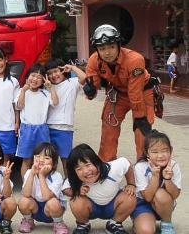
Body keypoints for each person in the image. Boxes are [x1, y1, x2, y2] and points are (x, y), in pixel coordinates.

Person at [84, 24, 156, 162]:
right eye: (102, 48)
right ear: (97, 50)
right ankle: (106, 164)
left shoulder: (135, 60)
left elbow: (135, 93)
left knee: (142, 131)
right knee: (108, 129)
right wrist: (91, 92)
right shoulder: (94, 60)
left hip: (142, 93)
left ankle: (144, 167)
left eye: (111, 46)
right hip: (118, 93)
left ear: (118, 45)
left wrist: (140, 116)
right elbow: (93, 83)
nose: (107, 52)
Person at [63, 143, 136, 234]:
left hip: (113, 205)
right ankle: (83, 224)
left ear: (97, 161)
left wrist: (131, 184)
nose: (86, 171)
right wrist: (76, 191)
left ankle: (114, 224)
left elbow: (127, 163)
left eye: (88, 165)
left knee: (130, 196)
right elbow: (65, 189)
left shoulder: (112, 169)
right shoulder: (74, 178)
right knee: (75, 200)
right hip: (91, 207)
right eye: (79, 169)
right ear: (74, 172)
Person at [131, 131, 181, 234]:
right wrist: (155, 176)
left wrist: (167, 179)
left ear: (170, 150)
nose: (160, 155)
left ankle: (166, 222)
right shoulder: (140, 167)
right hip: (143, 204)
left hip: (164, 204)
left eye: (164, 150)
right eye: (155, 152)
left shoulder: (173, 165)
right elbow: (147, 197)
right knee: (146, 231)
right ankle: (139, 222)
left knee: (160, 193)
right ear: (146, 152)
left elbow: (175, 195)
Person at [15, 63, 59, 179]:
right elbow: (19, 106)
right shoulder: (21, 91)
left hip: (42, 129)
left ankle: (42, 183)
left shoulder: (45, 93)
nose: (35, 79)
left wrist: (51, 87)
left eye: (39, 77)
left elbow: (55, 102)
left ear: (43, 80)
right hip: (27, 129)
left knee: (43, 158)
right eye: (33, 75)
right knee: (27, 159)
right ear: (27, 76)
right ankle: (26, 184)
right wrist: (24, 91)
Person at [45, 59, 86, 176]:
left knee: (65, 158)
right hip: (47, 126)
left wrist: (72, 68)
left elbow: (84, 78)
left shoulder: (72, 83)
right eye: (49, 73)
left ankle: (69, 182)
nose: (53, 75)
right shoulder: (47, 87)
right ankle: (49, 181)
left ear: (62, 70)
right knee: (49, 158)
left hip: (64, 127)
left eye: (56, 71)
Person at [18, 142, 68, 234]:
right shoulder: (29, 172)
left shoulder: (57, 176)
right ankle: (28, 220)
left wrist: (41, 175)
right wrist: (32, 174)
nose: (41, 160)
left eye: (47, 158)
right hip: (35, 208)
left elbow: (47, 197)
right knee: (23, 201)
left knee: (53, 202)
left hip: (50, 210)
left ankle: (58, 222)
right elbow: (26, 194)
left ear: (54, 164)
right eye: (38, 156)